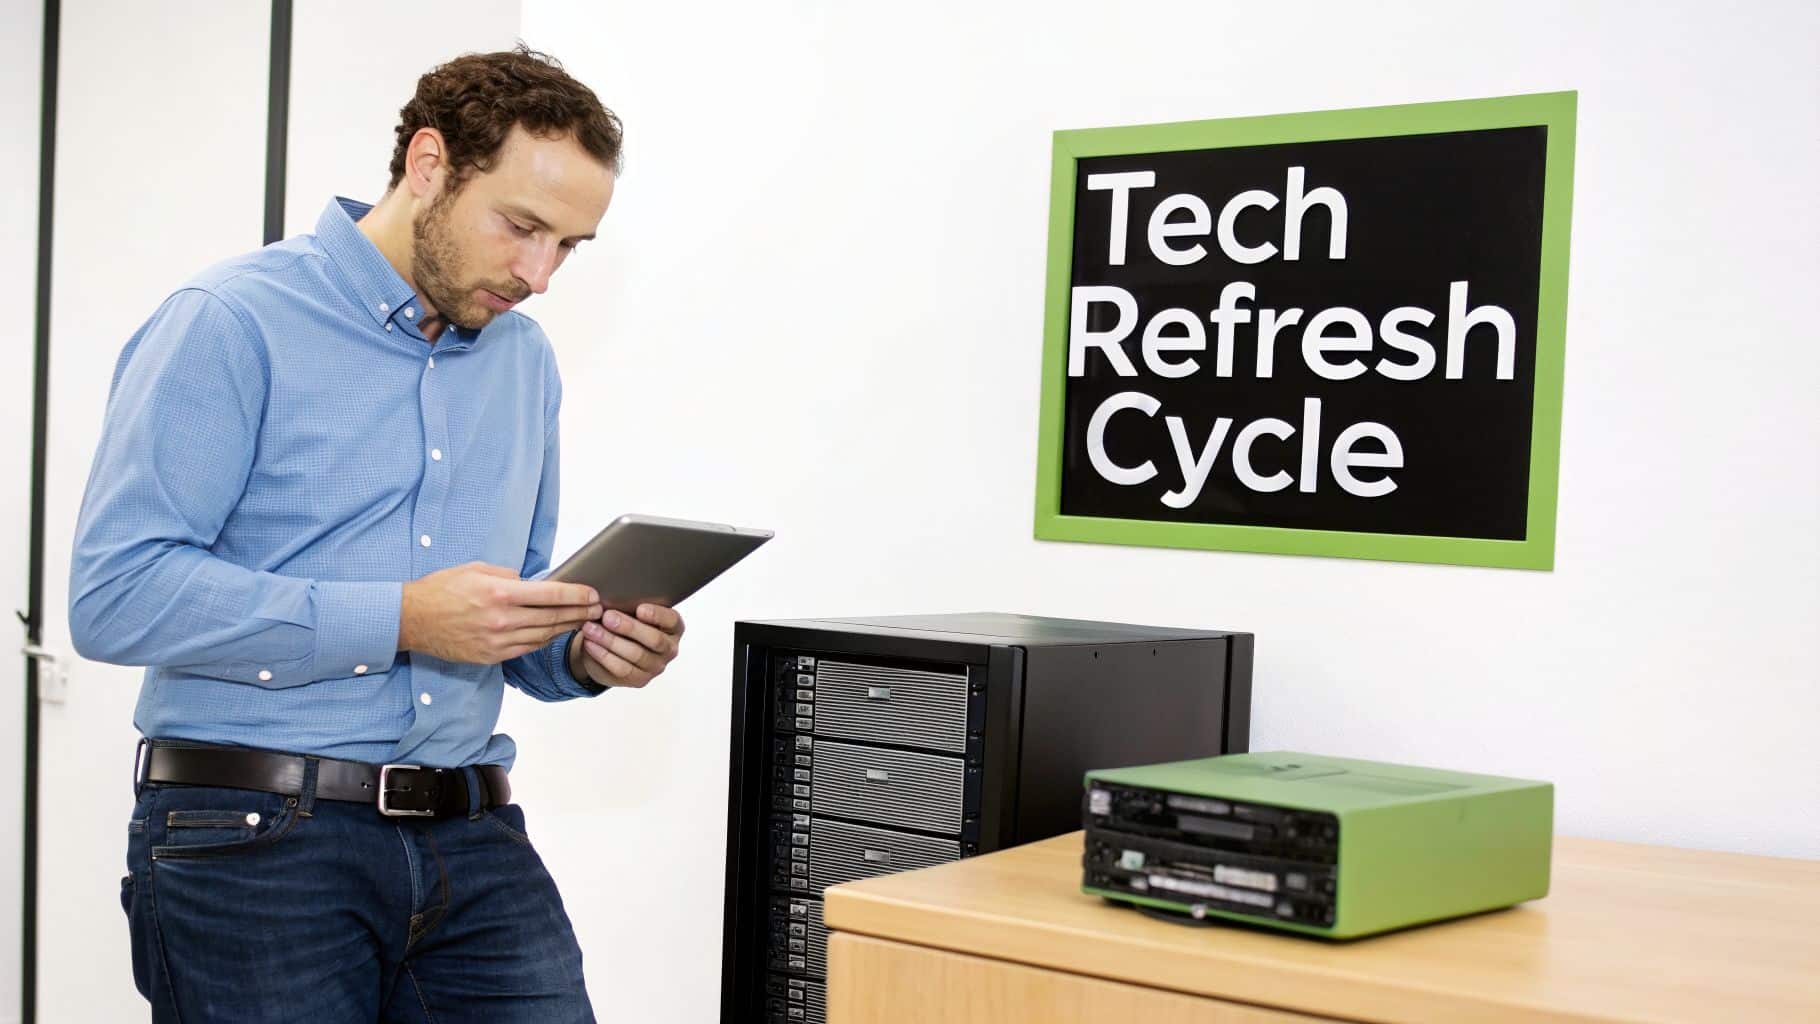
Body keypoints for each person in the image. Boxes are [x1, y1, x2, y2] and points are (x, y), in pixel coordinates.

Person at [67, 45, 667, 1023]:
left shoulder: (522, 362)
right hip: (252, 840)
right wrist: (401, 618)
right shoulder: (231, 322)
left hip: (473, 837)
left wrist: (588, 646)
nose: (540, 274)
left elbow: (505, 614)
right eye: (521, 227)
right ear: (428, 164)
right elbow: (115, 594)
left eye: (568, 245)